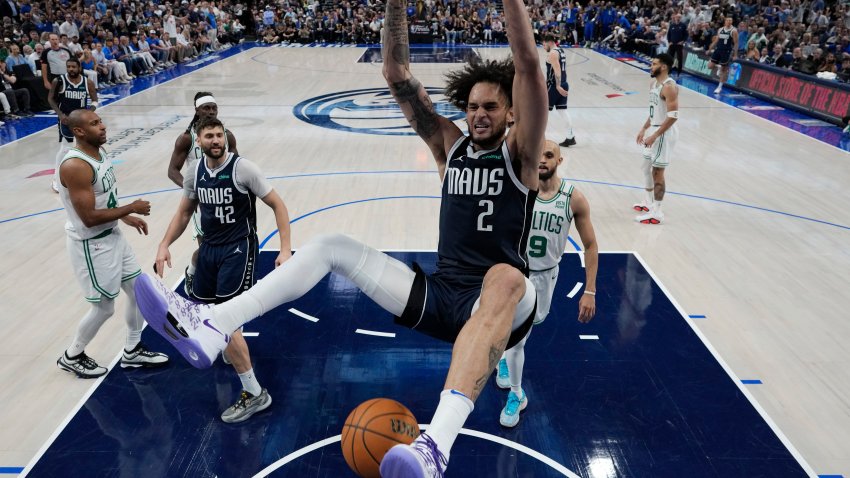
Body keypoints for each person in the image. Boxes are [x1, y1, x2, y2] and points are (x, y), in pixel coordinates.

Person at [133, 0, 546, 472]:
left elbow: (529, 64)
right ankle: (213, 325)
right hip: (445, 295)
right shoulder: (450, 147)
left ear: (511, 112)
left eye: (490, 106)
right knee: (331, 244)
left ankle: (434, 448)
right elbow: (395, 72)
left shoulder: (521, 154)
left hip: (506, 305)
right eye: (472, 106)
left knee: (506, 277)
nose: (479, 114)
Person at [155, 116, 285, 423]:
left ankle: (255, 393)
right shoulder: (194, 172)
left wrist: (285, 248)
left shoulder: (243, 169)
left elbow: (278, 205)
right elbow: (185, 212)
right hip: (209, 249)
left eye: (219, 135)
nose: (216, 140)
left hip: (239, 248)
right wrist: (164, 243)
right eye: (209, 136)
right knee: (205, 308)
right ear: (197, 141)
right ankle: (230, 347)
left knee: (227, 320)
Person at [56, 109, 169, 378]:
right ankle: (72, 355)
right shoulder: (75, 166)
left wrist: (125, 216)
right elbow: (88, 217)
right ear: (79, 131)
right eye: (95, 124)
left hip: (112, 236)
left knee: (140, 290)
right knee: (104, 307)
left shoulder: (99, 152)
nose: (103, 127)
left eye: (101, 121)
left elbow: (102, 200)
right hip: (92, 245)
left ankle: (132, 350)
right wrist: (131, 207)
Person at [494, 139, 598, 427]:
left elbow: (590, 245)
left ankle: (504, 360)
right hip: (515, 272)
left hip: (545, 277)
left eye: (549, 155)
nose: (541, 159)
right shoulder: (519, 190)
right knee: (517, 339)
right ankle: (517, 394)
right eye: (537, 153)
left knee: (516, 335)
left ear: (559, 161)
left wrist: (589, 290)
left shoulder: (572, 198)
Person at [166, 93, 238, 294]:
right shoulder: (187, 138)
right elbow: (172, 170)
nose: (211, 111)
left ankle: (222, 283)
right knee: (208, 249)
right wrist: (193, 191)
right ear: (196, 110)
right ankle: (193, 272)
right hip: (201, 203)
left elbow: (236, 165)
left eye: (214, 107)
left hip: (225, 200)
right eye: (206, 108)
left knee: (228, 247)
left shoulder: (227, 135)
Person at [634, 53, 679, 225]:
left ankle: (657, 212)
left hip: (663, 133)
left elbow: (673, 116)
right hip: (654, 129)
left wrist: (655, 135)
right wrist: (644, 128)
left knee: (657, 172)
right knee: (645, 166)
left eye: (654, 64)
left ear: (664, 67)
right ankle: (647, 201)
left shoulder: (669, 87)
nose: (651, 66)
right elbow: (654, 110)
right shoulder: (654, 83)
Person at [48, 58, 98, 193]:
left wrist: (88, 113)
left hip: (81, 121)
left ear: (79, 67)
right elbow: (50, 98)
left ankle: (86, 177)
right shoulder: (59, 81)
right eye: (68, 67)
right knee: (65, 149)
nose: (71, 69)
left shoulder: (87, 82)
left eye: (73, 67)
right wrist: (60, 115)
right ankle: (56, 179)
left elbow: (95, 100)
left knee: (85, 148)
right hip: (66, 120)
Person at [542, 34, 575, 147]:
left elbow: (557, 69)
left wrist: (557, 85)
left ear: (549, 42)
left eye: (544, 44)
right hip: (564, 83)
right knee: (563, 111)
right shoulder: (560, 50)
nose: (543, 46)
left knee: (543, 112)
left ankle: (539, 139)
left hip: (555, 86)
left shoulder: (553, 53)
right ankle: (570, 137)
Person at [707, 16, 738, 94]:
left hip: (726, 51)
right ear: (725, 21)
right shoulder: (720, 29)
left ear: (732, 21)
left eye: (730, 20)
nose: (729, 21)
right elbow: (717, 40)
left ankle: (719, 87)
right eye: (727, 20)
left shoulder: (733, 31)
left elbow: (736, 43)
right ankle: (718, 67)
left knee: (724, 70)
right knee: (709, 66)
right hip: (718, 50)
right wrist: (710, 48)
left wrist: (735, 54)